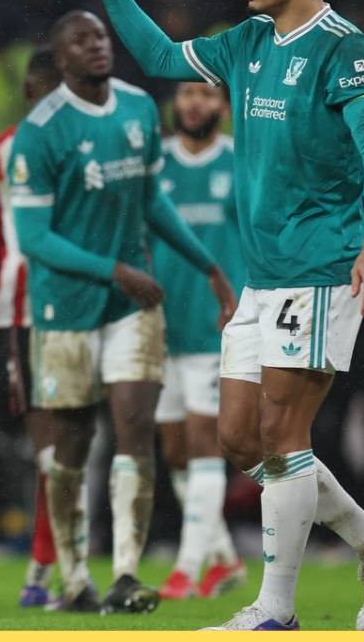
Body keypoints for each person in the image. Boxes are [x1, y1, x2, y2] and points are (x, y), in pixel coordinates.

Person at [70, 0, 364, 631]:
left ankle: (275, 611)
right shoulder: (248, 41)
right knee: (238, 437)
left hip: (319, 266)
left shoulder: (344, 49)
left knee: (285, 435)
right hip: (263, 277)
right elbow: (163, 59)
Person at [8, 9, 237, 614]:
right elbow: (33, 238)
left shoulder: (137, 108)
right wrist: (115, 269)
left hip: (130, 305)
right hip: (64, 308)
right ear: (60, 59)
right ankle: (75, 578)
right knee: (73, 446)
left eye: (101, 36)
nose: (97, 45)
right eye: (80, 39)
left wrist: (209, 266)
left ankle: (127, 574)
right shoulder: (40, 131)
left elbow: (152, 200)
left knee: (136, 428)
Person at [0, 46, 66, 608]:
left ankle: (46, 568)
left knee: (50, 443)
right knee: (79, 442)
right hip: (87, 307)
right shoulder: (91, 144)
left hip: (26, 310)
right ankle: (66, 564)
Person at [149, 82, 248, 602]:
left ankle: (186, 571)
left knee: (205, 443)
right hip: (162, 329)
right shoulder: (155, 164)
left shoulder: (239, 161)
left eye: (206, 95)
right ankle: (225, 558)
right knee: (175, 450)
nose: (194, 103)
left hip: (216, 329)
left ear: (224, 108)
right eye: (186, 93)